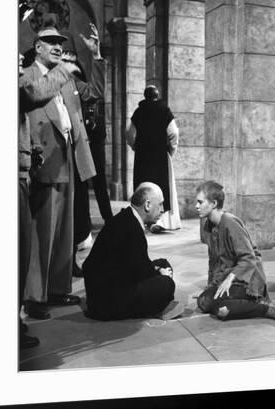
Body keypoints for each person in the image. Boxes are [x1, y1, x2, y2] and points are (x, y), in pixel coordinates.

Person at [22, 23, 105, 319]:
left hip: (69, 156)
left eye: (60, 42)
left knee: (63, 232)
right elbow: (33, 96)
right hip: (44, 160)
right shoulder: (29, 75)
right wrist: (62, 71)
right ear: (37, 47)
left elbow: (94, 93)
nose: (58, 46)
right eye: (51, 42)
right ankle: (34, 297)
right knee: (41, 232)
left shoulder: (66, 76)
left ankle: (57, 289)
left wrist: (95, 57)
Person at [83, 182, 184, 321]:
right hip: (107, 304)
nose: (162, 209)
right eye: (160, 204)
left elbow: (132, 263)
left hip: (100, 295)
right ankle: (158, 306)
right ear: (147, 205)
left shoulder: (125, 218)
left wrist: (158, 269)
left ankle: (157, 301)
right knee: (167, 284)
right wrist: (161, 274)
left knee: (163, 263)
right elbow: (141, 272)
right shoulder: (132, 228)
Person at [195, 180, 275, 324]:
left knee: (220, 307)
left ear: (213, 204)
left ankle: (265, 308)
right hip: (228, 277)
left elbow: (249, 258)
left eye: (200, 202)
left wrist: (229, 278)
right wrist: (211, 285)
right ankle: (232, 306)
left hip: (247, 280)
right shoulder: (207, 225)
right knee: (204, 301)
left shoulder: (230, 223)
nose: (197, 206)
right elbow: (213, 260)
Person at [126, 85, 180, 233]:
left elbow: (129, 133)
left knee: (143, 186)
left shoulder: (139, 111)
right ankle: (160, 221)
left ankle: (142, 219)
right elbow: (174, 133)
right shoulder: (164, 110)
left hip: (143, 155)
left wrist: (134, 146)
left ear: (145, 96)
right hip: (160, 155)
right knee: (161, 185)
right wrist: (171, 149)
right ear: (157, 95)